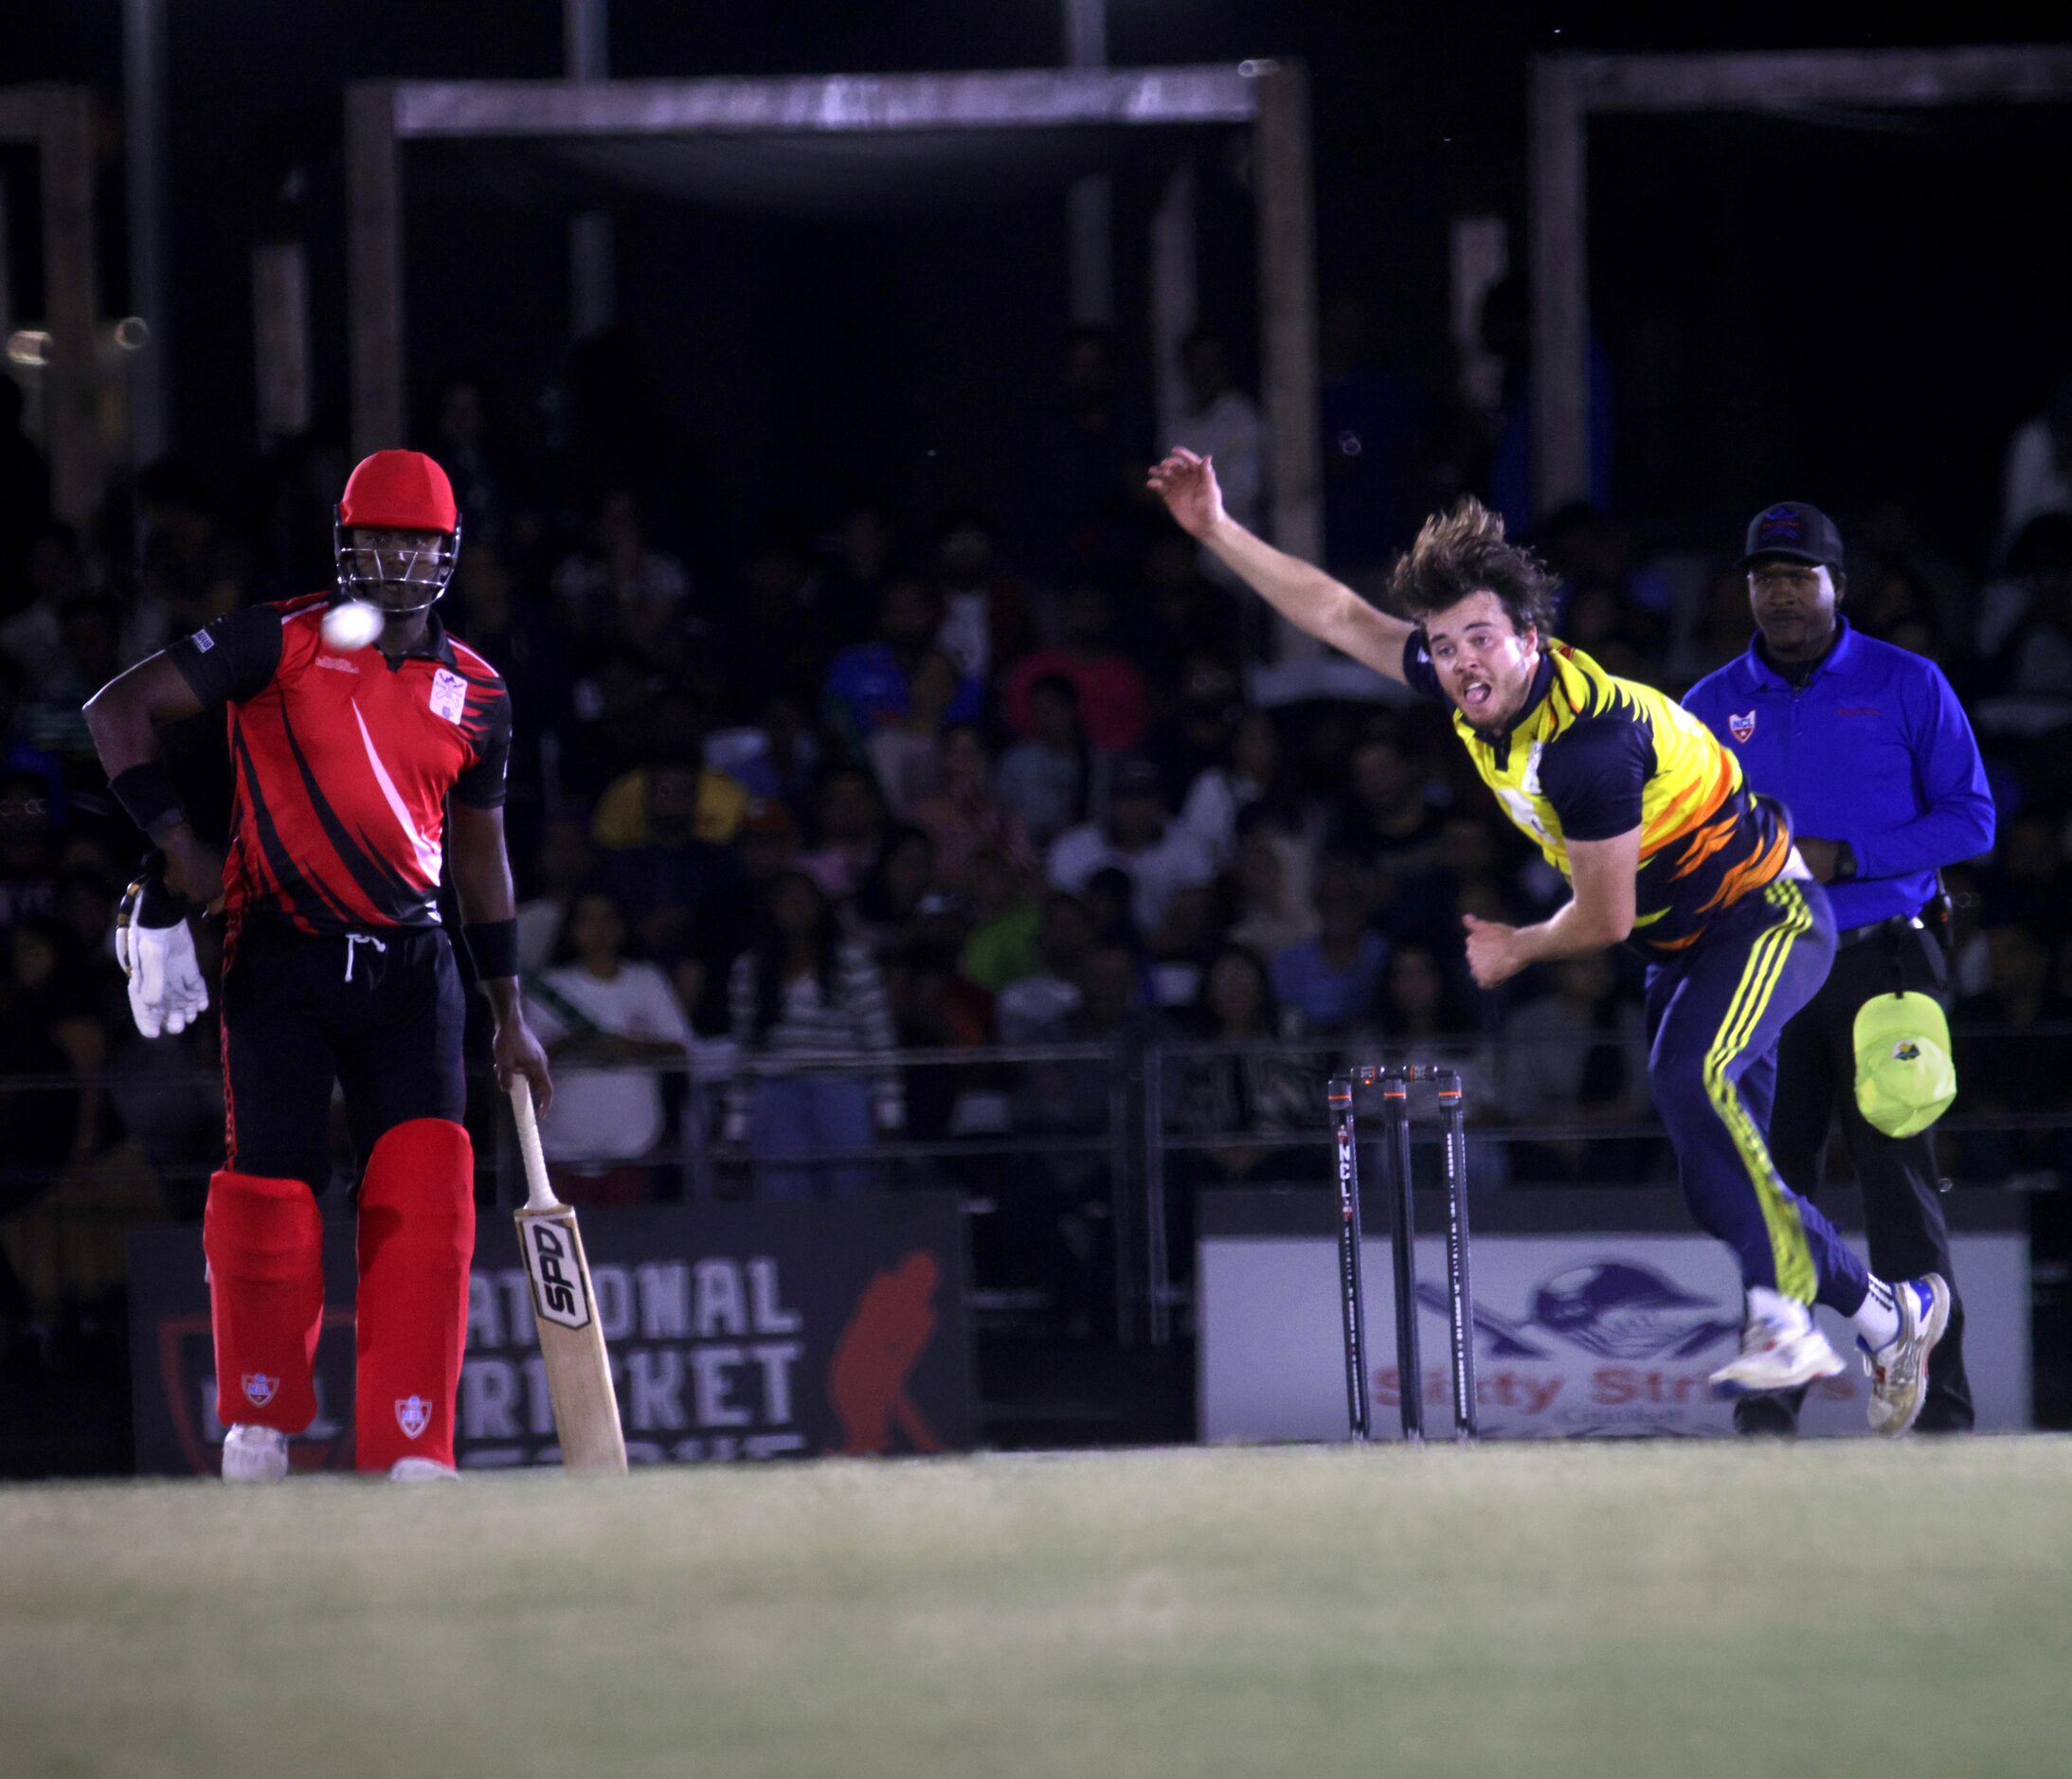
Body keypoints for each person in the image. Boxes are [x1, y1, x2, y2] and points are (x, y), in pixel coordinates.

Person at [1149, 447, 1951, 1433]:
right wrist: (1217, 530)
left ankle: (1784, 1321)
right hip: (1688, 945)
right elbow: (1338, 615)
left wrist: (1517, 948)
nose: (1460, 664)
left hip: (1769, 917)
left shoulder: (1588, 746)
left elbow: (1605, 920)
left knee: (1692, 1086)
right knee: (1716, 1173)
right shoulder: (1461, 687)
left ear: (1530, 637)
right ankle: (1887, 1312)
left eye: (1480, 639)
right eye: (1443, 647)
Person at [81, 448, 551, 1481]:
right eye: (379, 535)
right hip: (280, 954)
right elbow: (117, 715)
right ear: (346, 542)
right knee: (272, 1197)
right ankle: (261, 1422)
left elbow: (481, 856)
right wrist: (179, 850)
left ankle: (415, 1447)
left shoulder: (478, 693)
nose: (397, 555)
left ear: (448, 552)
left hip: (414, 970)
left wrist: (509, 1011)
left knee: (430, 1194)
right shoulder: (276, 640)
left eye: (417, 540)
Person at [1685, 501, 1995, 1434]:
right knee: (1773, 1187)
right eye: (1765, 577)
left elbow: (1971, 820)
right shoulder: (1706, 706)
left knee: (1898, 1178)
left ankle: (1941, 1411)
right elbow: (1680, 840)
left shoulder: (1907, 683)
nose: (1781, 593)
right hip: (1764, 970)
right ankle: (1768, 1415)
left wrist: (1843, 856)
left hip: (1882, 959)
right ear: (1746, 588)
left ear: (1837, 586)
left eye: (1799, 576)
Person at [725, 872, 902, 1199]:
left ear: (821, 906)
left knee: (852, 1194)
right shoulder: (749, 969)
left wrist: (889, 1112)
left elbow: (880, 1039)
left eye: (805, 898)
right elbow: (745, 1051)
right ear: (772, 908)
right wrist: (736, 1123)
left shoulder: (853, 960)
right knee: (784, 1201)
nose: (796, 907)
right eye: (786, 899)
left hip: (842, 1088)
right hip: (776, 1094)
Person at [524, 889, 692, 1203]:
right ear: (571, 929)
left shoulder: (647, 980)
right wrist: (574, 1044)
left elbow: (680, 1050)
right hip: (560, 1146)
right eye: (588, 920)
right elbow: (525, 1062)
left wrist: (628, 1048)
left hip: (635, 1146)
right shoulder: (547, 988)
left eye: (607, 919)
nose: (599, 929)